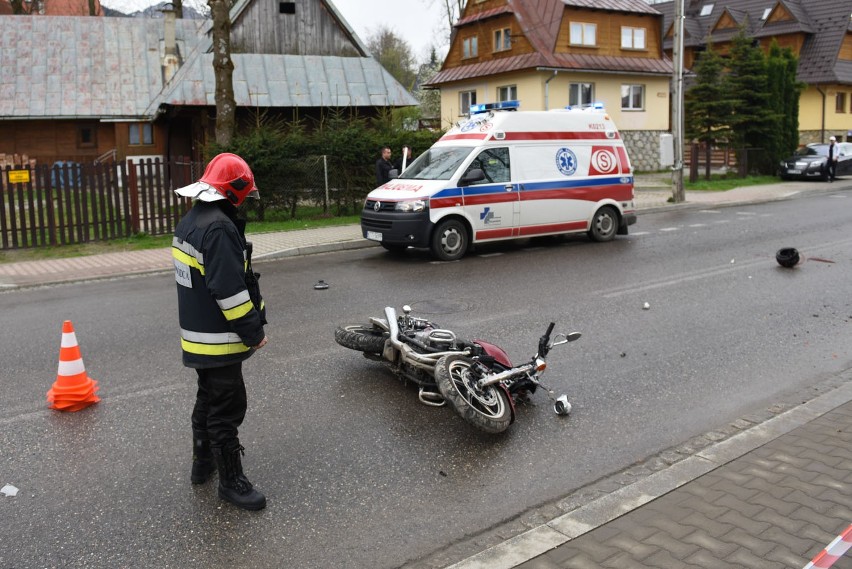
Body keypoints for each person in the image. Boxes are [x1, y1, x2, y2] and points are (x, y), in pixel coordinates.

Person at [172, 153, 269, 511]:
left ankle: (203, 464)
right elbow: (229, 292)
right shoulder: (220, 229)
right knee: (227, 408)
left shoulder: (191, 221)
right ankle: (232, 482)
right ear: (235, 191)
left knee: (208, 398)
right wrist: (253, 332)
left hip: (197, 336)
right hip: (219, 340)